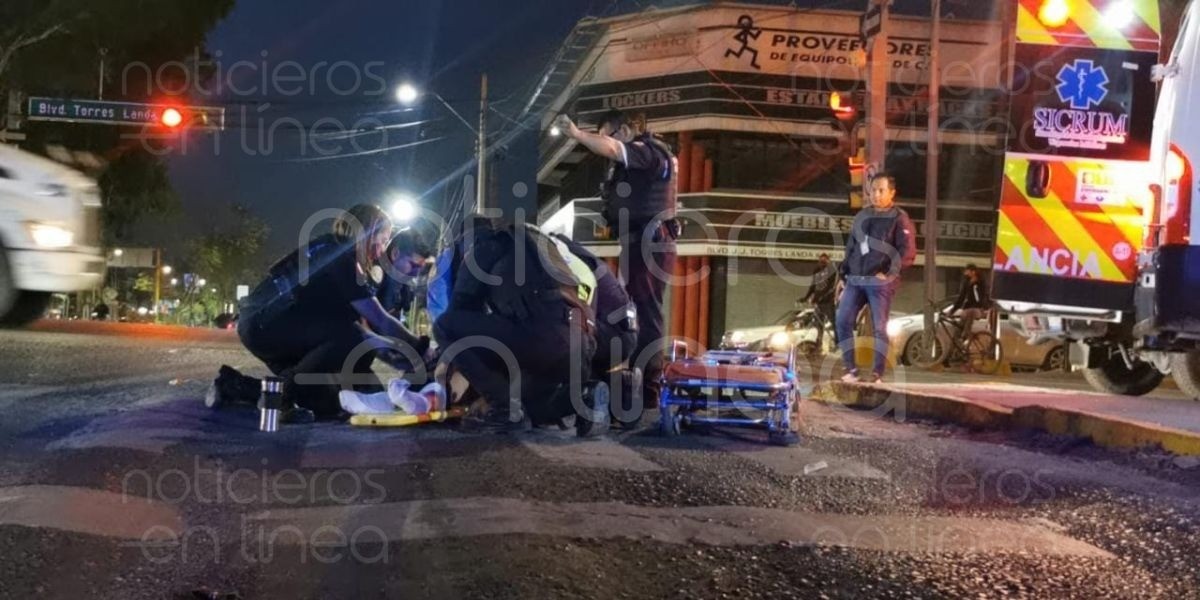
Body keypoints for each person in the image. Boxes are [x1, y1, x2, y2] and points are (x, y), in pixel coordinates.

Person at [207, 204, 428, 421]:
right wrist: (420, 348)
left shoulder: (332, 249)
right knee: (351, 337)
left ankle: (234, 385)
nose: (382, 249)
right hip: (267, 324)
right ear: (369, 233)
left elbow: (367, 333)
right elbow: (376, 320)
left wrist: (400, 359)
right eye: (383, 240)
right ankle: (282, 395)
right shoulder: (340, 256)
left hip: (277, 325)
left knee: (331, 403)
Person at [553, 109, 677, 410]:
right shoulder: (642, 159)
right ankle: (637, 379)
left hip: (650, 241)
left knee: (645, 312)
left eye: (607, 133)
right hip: (639, 241)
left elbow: (610, 147)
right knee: (633, 308)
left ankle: (647, 387)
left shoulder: (646, 152)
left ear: (623, 132)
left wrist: (577, 135)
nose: (604, 143)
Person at [432, 220, 598, 429]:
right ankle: (583, 398)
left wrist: (444, 366)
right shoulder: (534, 244)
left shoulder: (483, 247)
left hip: (542, 338)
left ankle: (503, 408)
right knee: (531, 407)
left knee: (444, 326)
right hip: (580, 347)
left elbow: (459, 312)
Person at [835, 173, 917, 383]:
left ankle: (876, 373)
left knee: (879, 327)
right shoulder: (862, 216)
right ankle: (850, 369)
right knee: (843, 320)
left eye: (881, 190)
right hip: (855, 279)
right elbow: (852, 247)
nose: (876, 194)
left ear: (892, 193)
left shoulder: (900, 218)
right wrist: (843, 274)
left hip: (879, 282)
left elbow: (907, 251)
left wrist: (889, 273)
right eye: (873, 190)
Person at [376, 230, 432, 322]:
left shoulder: (402, 284)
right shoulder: (376, 274)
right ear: (395, 254)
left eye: (419, 268)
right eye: (413, 265)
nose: (415, 273)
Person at [800, 253, 837, 353]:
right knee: (818, 323)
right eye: (821, 261)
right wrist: (807, 297)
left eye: (824, 261)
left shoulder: (831, 270)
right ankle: (818, 343)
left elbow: (832, 287)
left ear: (828, 261)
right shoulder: (816, 270)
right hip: (818, 302)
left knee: (833, 322)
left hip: (828, 301)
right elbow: (813, 286)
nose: (822, 263)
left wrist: (822, 297)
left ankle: (838, 343)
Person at [950, 264, 990, 340]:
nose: (965, 273)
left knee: (971, 312)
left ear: (973, 272)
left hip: (978, 308)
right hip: (968, 308)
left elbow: (983, 296)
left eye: (967, 271)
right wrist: (953, 310)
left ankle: (965, 336)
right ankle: (957, 341)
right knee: (963, 319)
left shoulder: (980, 282)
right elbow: (961, 297)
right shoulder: (967, 283)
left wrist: (975, 286)